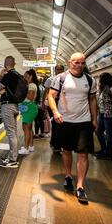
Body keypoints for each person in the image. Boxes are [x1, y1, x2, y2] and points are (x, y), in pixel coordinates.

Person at [48, 53, 97, 204]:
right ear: (70, 62)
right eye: (76, 62)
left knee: (83, 154)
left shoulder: (90, 80)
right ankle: (68, 175)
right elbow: (51, 96)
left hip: (83, 121)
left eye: (82, 63)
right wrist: (55, 111)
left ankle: (80, 186)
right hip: (65, 121)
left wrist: (94, 119)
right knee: (66, 151)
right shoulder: (60, 78)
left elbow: (92, 99)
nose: (79, 65)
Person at [0, 56, 21, 168]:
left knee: (11, 133)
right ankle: (14, 155)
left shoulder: (9, 75)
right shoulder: (18, 75)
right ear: (14, 63)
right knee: (13, 133)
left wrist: (0, 76)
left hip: (8, 106)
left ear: (5, 64)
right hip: (15, 105)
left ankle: (12, 160)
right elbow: (3, 90)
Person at [43, 64, 65, 152]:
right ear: (55, 70)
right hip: (52, 104)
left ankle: (54, 142)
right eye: (57, 69)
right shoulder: (50, 79)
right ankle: (57, 144)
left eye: (61, 69)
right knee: (56, 123)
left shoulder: (67, 79)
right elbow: (46, 92)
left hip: (63, 105)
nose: (59, 71)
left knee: (59, 124)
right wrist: (43, 104)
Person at [95, 73, 112, 160]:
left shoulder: (111, 89)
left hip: (110, 114)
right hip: (102, 113)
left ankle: (108, 154)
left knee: (109, 135)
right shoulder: (102, 89)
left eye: (100, 78)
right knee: (98, 132)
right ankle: (103, 149)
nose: (99, 80)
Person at [19, 69, 39, 154]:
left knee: (26, 128)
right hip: (30, 108)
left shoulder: (31, 86)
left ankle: (26, 148)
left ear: (31, 76)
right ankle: (31, 146)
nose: (25, 78)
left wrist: (22, 90)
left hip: (29, 108)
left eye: (26, 76)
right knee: (29, 128)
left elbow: (30, 97)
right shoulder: (32, 85)